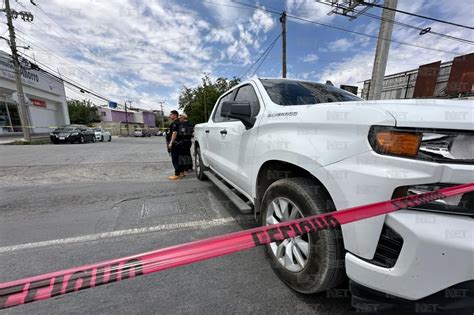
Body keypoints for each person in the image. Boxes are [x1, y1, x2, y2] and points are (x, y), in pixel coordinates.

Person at [167, 110, 184, 180]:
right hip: (180, 143)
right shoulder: (180, 122)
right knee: (180, 158)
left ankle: (177, 175)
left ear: (175, 115)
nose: (170, 116)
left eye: (171, 114)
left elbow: (174, 133)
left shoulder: (175, 123)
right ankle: (182, 172)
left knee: (175, 159)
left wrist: (171, 143)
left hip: (176, 143)